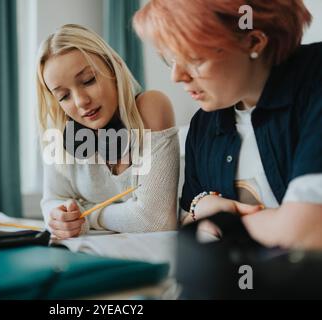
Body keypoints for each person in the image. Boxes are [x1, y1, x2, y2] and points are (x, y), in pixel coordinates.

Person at [133, 0, 322, 249]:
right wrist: (202, 208)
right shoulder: (204, 125)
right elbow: (190, 224)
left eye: (193, 58)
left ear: (253, 41)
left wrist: (222, 222)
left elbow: (307, 232)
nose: (177, 76)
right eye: (170, 59)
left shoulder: (315, 79)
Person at [36, 24, 180, 239]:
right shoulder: (60, 131)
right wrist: (59, 218)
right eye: (64, 96)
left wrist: (85, 216)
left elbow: (155, 219)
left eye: (88, 80)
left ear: (115, 68)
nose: (81, 101)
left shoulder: (151, 107)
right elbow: (51, 201)